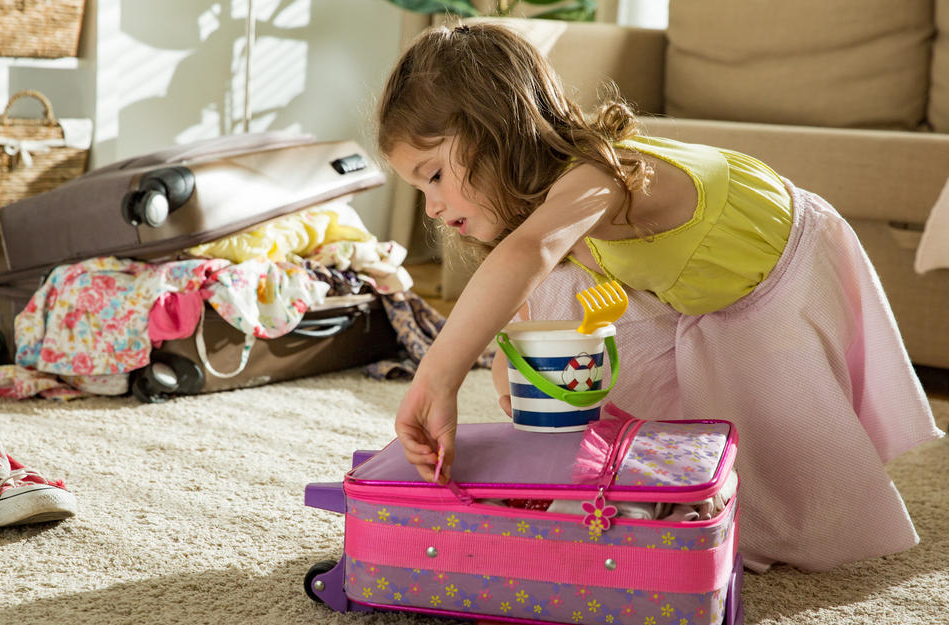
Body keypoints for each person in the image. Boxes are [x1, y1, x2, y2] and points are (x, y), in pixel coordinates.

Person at [376, 21, 943, 572]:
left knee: (784, 510)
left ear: (492, 130)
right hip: (691, 290)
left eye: (433, 175)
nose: (429, 206)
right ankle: (622, 470)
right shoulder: (544, 213)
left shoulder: (600, 174)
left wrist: (437, 377)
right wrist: (515, 371)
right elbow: (526, 291)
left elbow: (528, 253)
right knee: (549, 316)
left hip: (780, 270)